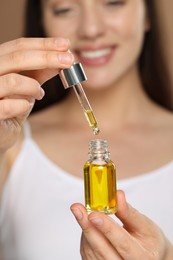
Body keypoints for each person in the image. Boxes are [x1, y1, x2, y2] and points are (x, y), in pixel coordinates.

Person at [0, 0, 173, 259]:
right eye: (64, 9)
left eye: (114, 3)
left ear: (147, 15)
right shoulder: (10, 146)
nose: (91, 29)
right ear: (43, 24)